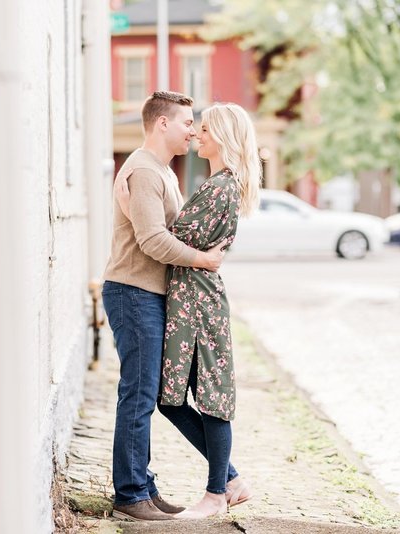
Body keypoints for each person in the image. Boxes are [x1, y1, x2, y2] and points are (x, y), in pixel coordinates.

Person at [116, 102, 261, 519]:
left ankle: (218, 491)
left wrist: (132, 212)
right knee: (172, 398)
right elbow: (177, 239)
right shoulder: (214, 183)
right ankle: (229, 479)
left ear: (225, 138)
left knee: (208, 396)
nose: (198, 133)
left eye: (206, 128)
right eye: (194, 125)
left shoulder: (220, 187)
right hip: (187, 297)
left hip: (197, 301)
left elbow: (168, 238)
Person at [101, 91, 227, 521]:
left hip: (149, 295)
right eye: (187, 122)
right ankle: (130, 495)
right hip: (132, 292)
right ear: (162, 124)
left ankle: (145, 489)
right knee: (137, 394)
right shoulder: (143, 170)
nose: (193, 130)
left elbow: (165, 230)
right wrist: (204, 260)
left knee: (147, 394)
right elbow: (153, 240)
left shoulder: (162, 172)